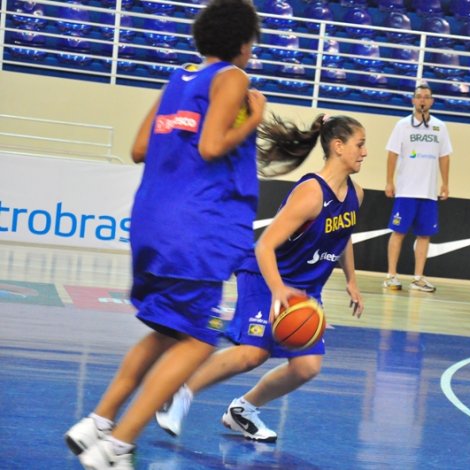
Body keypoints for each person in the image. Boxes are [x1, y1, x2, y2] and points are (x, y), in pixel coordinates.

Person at [62, 2, 309, 467]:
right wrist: (253, 119)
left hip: (152, 221)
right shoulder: (232, 78)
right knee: (198, 339)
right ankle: (116, 447)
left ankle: (98, 421)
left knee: (165, 330)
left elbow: (139, 148)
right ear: (244, 43)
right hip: (195, 228)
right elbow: (212, 145)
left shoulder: (178, 79)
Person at [153, 114, 367, 442]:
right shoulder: (311, 193)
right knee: (254, 353)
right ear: (338, 146)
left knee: (307, 367)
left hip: (304, 287)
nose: (365, 152)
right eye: (360, 144)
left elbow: (343, 234)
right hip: (267, 275)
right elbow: (265, 245)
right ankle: (179, 394)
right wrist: (278, 290)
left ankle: (243, 410)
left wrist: (351, 280)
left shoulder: (356, 193)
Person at [382, 82, 452, 293]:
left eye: (426, 97)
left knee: (424, 235)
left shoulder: (440, 127)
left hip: (428, 192)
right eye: (419, 96)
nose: (423, 100)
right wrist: (389, 181)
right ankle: (391, 276)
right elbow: (392, 154)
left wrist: (445, 183)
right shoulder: (402, 125)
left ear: (432, 101)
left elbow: (444, 156)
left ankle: (418, 278)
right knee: (398, 232)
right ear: (413, 100)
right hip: (406, 191)